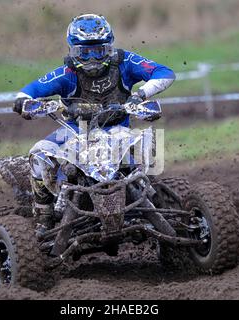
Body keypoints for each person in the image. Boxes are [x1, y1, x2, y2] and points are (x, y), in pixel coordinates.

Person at [13, 13, 175, 228]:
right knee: (39, 155)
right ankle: (44, 215)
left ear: (109, 47)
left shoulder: (124, 62)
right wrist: (28, 103)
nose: (92, 59)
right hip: (73, 132)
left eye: (99, 51)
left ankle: (157, 201)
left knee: (147, 155)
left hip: (118, 130)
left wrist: (140, 95)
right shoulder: (66, 74)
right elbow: (27, 92)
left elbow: (165, 73)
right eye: (84, 52)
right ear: (73, 50)